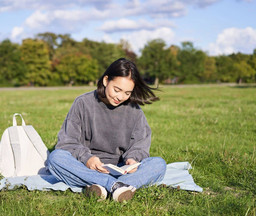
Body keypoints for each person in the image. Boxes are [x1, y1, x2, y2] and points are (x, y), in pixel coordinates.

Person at [47, 58, 166, 202]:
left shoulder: (134, 110)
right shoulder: (82, 103)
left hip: (120, 170)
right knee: (55, 158)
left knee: (158, 164)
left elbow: (140, 143)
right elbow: (67, 142)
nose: (120, 97)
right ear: (105, 80)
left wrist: (132, 159)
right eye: (117, 90)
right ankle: (116, 186)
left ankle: (102, 186)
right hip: (86, 167)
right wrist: (87, 159)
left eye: (127, 93)